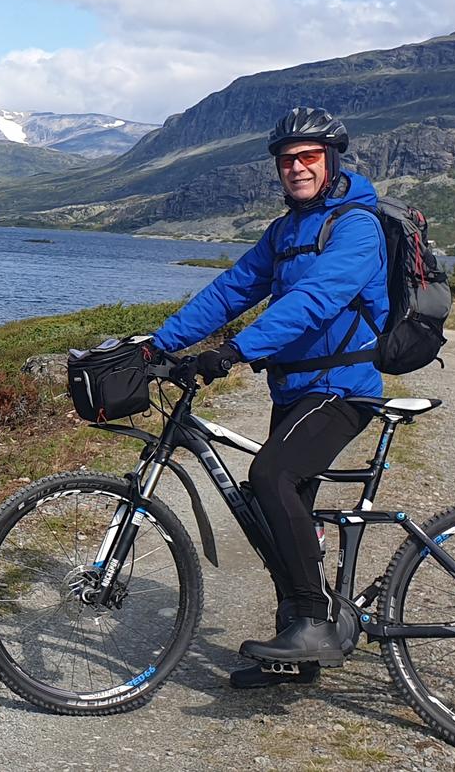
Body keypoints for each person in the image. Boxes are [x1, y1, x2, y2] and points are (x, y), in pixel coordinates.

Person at [148, 106, 389, 689]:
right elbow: (230, 290)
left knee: (270, 476)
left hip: (342, 389)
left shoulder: (358, 226)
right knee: (280, 514)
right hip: (295, 390)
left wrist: (236, 351)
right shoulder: (285, 232)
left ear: (331, 161)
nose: (297, 168)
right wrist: (157, 344)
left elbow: (316, 299)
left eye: (308, 157)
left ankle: (311, 622)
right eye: (287, 160)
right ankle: (298, 653)